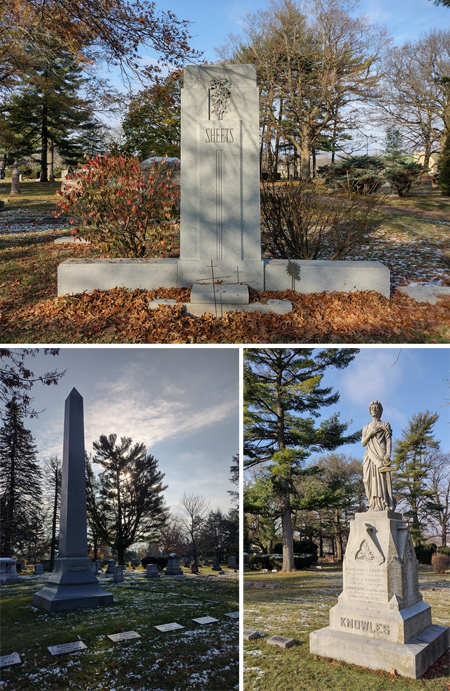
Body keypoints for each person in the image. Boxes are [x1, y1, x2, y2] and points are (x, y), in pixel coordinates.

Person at [361, 400, 396, 511]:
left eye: (376, 408)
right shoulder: (366, 427)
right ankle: (372, 504)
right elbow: (363, 443)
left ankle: (383, 504)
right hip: (369, 456)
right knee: (367, 480)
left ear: (380, 411)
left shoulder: (385, 424)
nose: (374, 410)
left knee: (380, 480)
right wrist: (370, 433)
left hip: (380, 455)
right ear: (369, 412)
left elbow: (388, 440)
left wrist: (388, 453)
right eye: (372, 408)